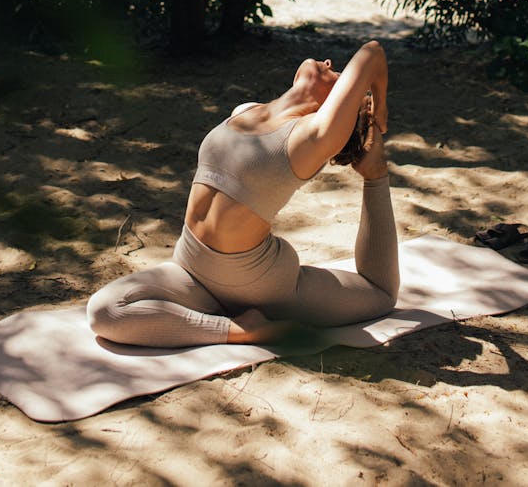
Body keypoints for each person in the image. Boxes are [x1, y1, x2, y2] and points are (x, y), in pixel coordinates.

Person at [86, 40, 399, 347]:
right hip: (191, 269)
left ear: (338, 107)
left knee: (380, 294)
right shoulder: (247, 110)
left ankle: (376, 174)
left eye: (339, 75)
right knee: (104, 311)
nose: (330, 64)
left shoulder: (312, 137)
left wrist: (378, 110)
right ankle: (241, 330)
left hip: (258, 284)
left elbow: (372, 53)